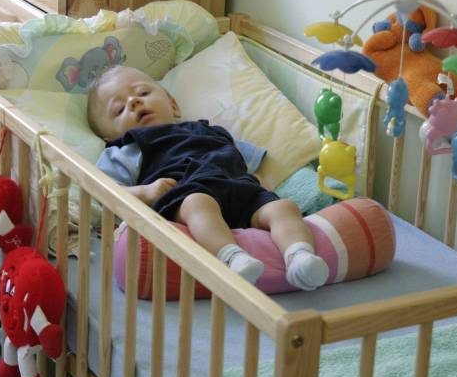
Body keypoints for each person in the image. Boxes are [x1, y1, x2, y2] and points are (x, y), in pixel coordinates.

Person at [87, 66, 329, 290]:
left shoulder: (211, 131)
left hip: (238, 190)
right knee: (199, 203)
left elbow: (247, 163)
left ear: (173, 105)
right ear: (110, 138)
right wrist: (146, 192)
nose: (134, 101)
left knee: (283, 207)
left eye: (143, 92)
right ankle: (233, 259)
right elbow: (104, 190)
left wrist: (258, 181)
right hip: (185, 196)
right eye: (119, 109)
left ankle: (300, 256)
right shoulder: (125, 151)